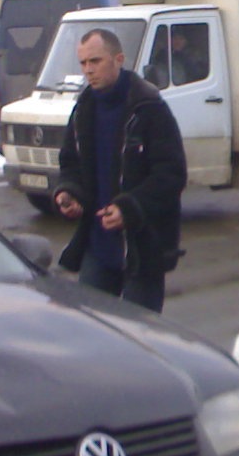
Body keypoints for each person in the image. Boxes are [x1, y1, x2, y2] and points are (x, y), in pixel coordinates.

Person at [52, 28, 187, 312]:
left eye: (96, 61)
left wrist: (129, 208)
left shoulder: (148, 109)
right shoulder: (83, 110)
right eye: (83, 63)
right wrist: (68, 193)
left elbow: (171, 175)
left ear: (118, 59)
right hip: (98, 245)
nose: (88, 71)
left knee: (140, 335)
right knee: (93, 329)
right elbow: (70, 163)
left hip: (142, 247)